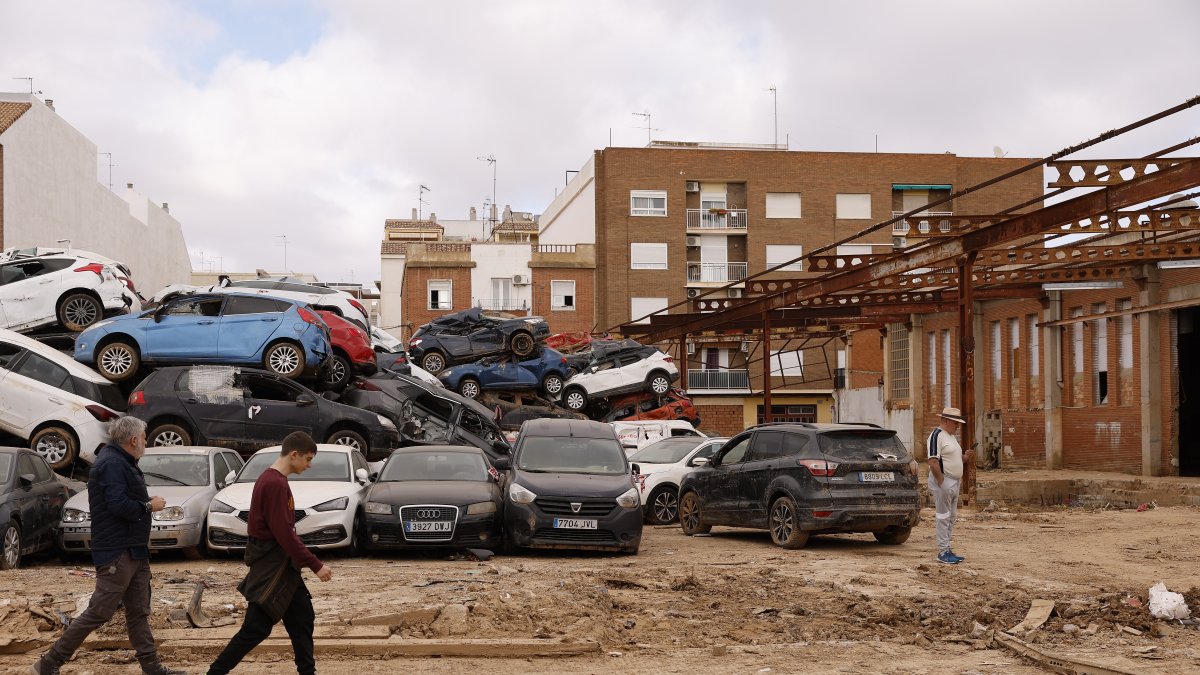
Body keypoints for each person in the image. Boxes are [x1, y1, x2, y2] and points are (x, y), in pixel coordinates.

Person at [32, 417, 185, 675]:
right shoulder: (112, 463)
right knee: (99, 611)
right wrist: (149, 506)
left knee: (139, 611)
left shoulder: (122, 462)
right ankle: (48, 663)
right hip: (117, 551)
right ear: (133, 440)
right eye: (144, 437)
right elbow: (117, 505)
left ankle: (152, 668)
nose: (146, 442)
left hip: (134, 549)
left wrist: (143, 500)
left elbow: (119, 497)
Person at [207, 432, 332, 675]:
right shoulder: (274, 483)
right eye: (307, 459)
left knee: (302, 617)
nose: (309, 465)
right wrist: (315, 564)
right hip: (272, 566)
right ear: (294, 454)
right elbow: (284, 533)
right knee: (256, 628)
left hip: (282, 565)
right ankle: (215, 672)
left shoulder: (272, 479)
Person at [926, 406, 973, 565]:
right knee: (943, 516)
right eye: (955, 422)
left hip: (953, 481)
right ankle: (943, 552)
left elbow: (955, 459)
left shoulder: (951, 437)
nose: (957, 426)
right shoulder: (936, 435)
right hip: (944, 481)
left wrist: (965, 457)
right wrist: (941, 481)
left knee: (951, 517)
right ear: (946, 421)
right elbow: (933, 461)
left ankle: (947, 548)